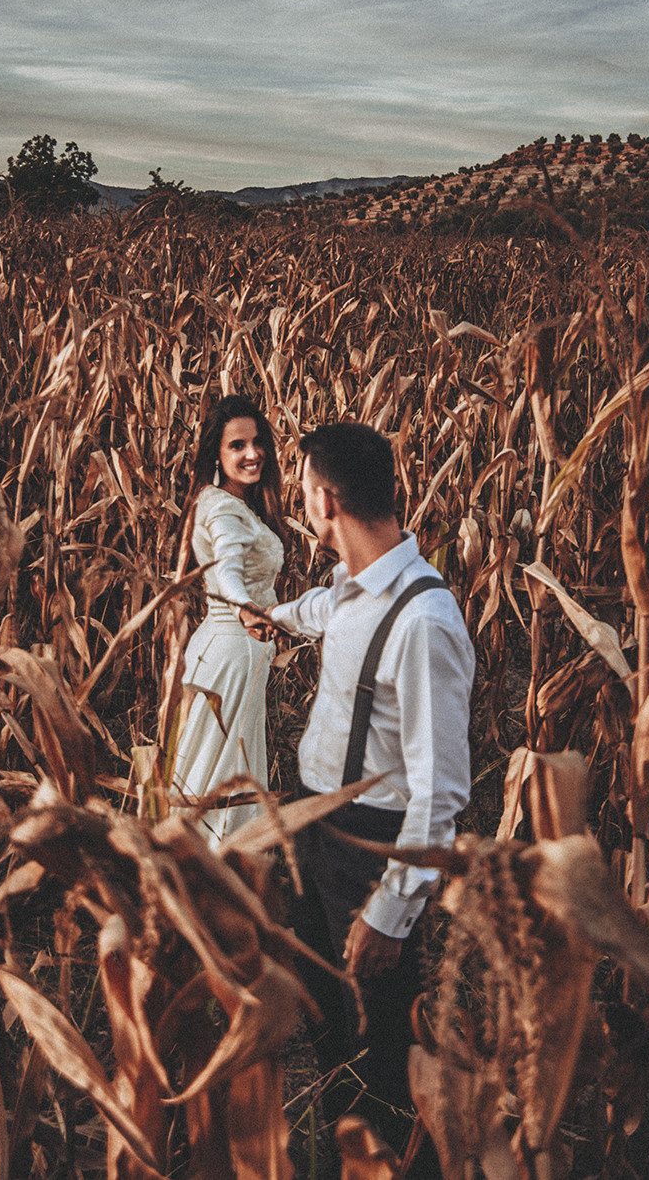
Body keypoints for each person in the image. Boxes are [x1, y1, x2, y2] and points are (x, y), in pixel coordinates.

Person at [240, 422, 473, 1161]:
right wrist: (272, 618)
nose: (301, 499)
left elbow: (440, 792)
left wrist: (392, 910)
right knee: (330, 1023)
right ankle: (351, 1153)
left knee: (381, 1046)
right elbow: (323, 610)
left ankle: (403, 1162)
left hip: (369, 849)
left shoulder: (425, 621)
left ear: (325, 498)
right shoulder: (354, 584)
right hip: (316, 831)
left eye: (304, 488)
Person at [172, 395, 287, 841]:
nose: (251, 453)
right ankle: (218, 870)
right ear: (216, 454)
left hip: (227, 652)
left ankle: (199, 869)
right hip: (232, 656)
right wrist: (245, 606)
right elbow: (227, 569)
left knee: (213, 764)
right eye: (236, 445)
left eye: (257, 443)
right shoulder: (221, 508)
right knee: (222, 774)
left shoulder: (232, 503)